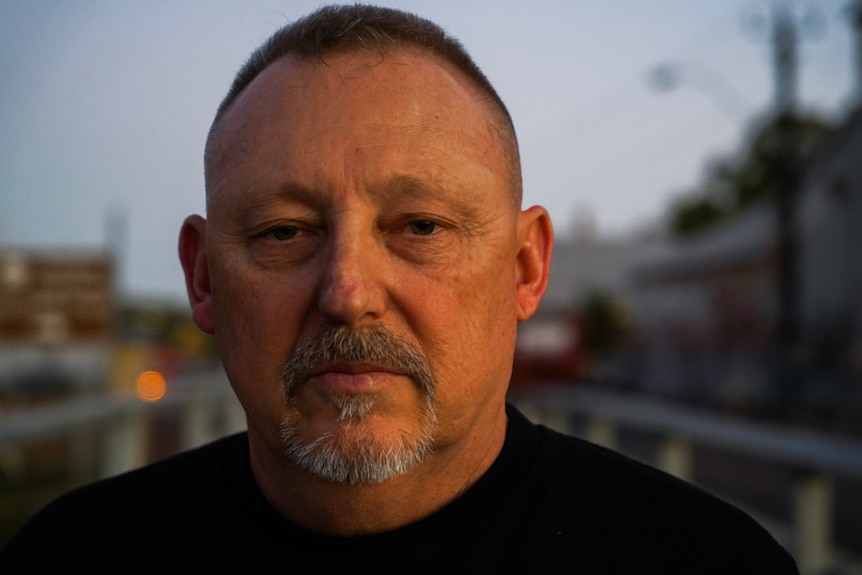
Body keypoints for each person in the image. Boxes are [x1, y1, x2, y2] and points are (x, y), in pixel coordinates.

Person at [0, 5, 798, 573]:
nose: (349, 292)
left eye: (419, 227)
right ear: (203, 278)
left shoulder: (711, 561)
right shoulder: (69, 556)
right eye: (284, 232)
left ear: (524, 267)